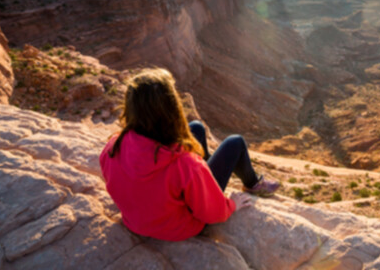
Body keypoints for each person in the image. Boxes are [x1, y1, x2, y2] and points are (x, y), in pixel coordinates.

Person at [99, 68, 280, 241]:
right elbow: (212, 214)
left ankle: (207, 179)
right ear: (172, 109)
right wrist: (232, 204)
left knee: (196, 128)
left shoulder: (113, 147)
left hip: (136, 222)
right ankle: (253, 184)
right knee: (235, 143)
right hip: (181, 228)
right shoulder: (185, 165)